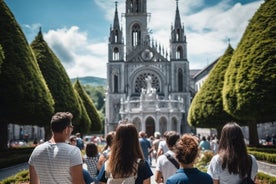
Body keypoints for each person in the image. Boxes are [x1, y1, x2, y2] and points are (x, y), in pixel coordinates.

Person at [28, 112, 85, 184]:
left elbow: (33, 182)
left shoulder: (36, 151)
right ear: (67, 129)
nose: (72, 129)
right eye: (71, 127)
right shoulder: (73, 151)